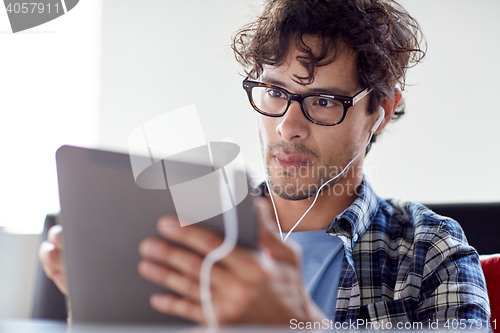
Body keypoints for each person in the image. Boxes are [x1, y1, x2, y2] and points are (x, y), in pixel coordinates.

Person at [40, 0, 490, 327]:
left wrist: (296, 324)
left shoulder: (430, 250)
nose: (289, 127)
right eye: (275, 93)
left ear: (380, 112)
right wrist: (94, 304)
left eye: (325, 100)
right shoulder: (197, 230)